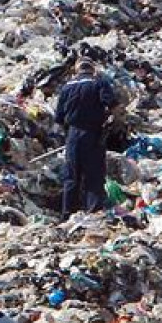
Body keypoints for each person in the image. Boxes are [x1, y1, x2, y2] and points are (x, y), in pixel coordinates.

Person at [55, 58, 116, 217]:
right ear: (92, 68)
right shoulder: (99, 82)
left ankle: (67, 213)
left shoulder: (66, 87)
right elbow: (112, 104)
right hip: (93, 134)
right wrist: (110, 121)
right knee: (94, 175)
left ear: (77, 69)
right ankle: (93, 212)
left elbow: (59, 117)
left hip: (73, 135)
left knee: (71, 176)